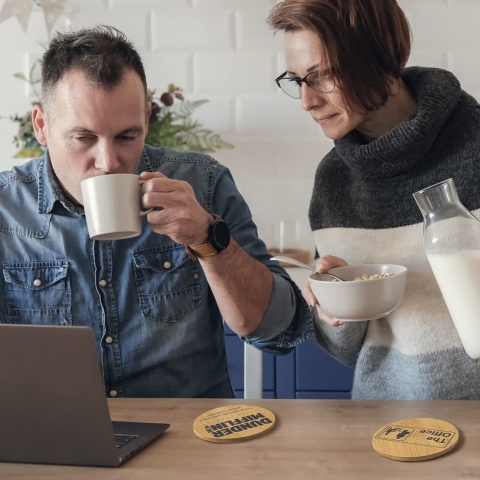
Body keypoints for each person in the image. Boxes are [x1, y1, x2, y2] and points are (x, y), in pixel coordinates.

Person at [0, 26, 312, 398]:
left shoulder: (203, 183)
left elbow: (282, 330)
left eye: (127, 136)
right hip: (59, 438)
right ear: (42, 126)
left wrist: (206, 238)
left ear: (147, 119)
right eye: (84, 138)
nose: (108, 161)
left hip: (190, 440)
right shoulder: (7, 211)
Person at [268, 0, 480, 399]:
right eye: (297, 80)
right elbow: (342, 351)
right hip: (391, 433)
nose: (307, 101)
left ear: (379, 59)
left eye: (323, 76)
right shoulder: (334, 182)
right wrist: (337, 299)